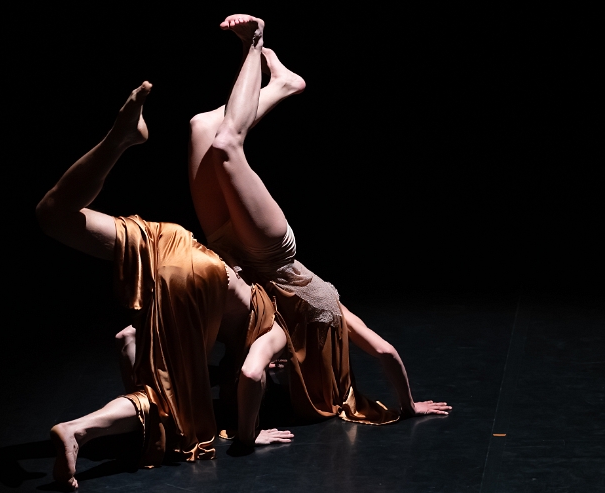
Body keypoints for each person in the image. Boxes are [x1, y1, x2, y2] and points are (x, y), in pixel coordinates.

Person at [184, 14, 452, 425]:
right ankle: (254, 42)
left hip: (226, 248)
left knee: (201, 126)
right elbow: (384, 351)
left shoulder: (269, 337)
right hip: (271, 253)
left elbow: (237, 368)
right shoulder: (328, 315)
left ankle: (282, 86)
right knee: (225, 144)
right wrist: (409, 406)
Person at [36, 79, 293, 490]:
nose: (276, 367)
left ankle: (120, 139)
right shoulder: (276, 327)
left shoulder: (236, 320)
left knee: (54, 215)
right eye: (283, 366)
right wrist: (249, 435)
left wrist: (148, 385)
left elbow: (126, 337)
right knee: (171, 402)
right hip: (197, 274)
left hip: (173, 241)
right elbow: (250, 374)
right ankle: (77, 430)